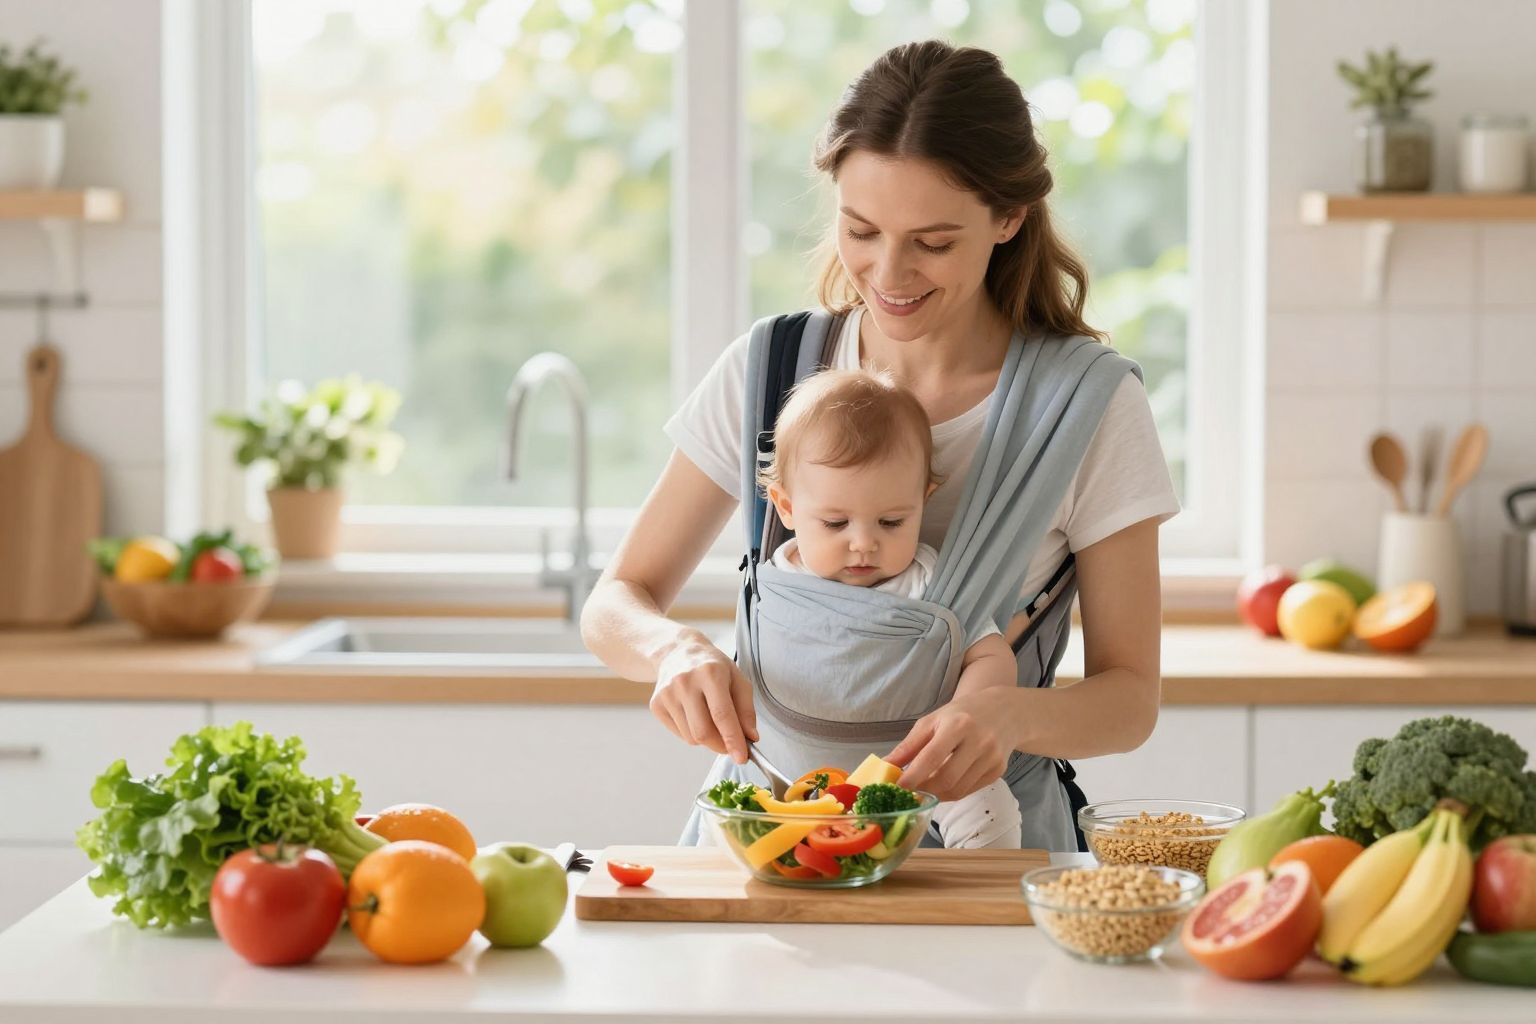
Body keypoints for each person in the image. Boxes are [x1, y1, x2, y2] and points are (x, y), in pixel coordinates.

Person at [582, 39, 1178, 850]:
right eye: (860, 230)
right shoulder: (773, 371)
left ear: (1009, 217)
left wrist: (1007, 713)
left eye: (933, 242)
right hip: (772, 847)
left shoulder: (1088, 404)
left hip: (985, 852)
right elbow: (615, 601)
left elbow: (1130, 699)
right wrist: (671, 649)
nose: (887, 273)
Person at [758, 367, 1022, 849]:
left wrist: (971, 712)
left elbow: (988, 653)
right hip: (790, 765)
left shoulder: (930, 581)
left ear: (924, 501)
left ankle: (984, 899)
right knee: (726, 810)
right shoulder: (774, 581)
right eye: (835, 523)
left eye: (892, 521)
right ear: (786, 506)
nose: (864, 544)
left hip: (918, 768)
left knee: (988, 805)